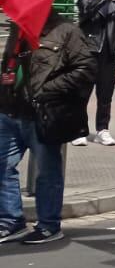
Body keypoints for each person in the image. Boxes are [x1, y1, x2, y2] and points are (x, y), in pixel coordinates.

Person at [0, 13, 96, 245]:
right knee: (3, 167)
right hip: (10, 110)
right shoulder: (17, 28)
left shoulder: (66, 30)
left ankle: (48, 225)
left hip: (42, 113)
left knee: (47, 172)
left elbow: (86, 69)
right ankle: (11, 221)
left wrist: (47, 90)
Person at [75, 0, 115, 146]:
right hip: (89, 53)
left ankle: (102, 130)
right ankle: (79, 130)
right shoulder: (85, 2)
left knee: (105, 97)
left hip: (109, 55)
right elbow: (88, 15)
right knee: (82, 94)